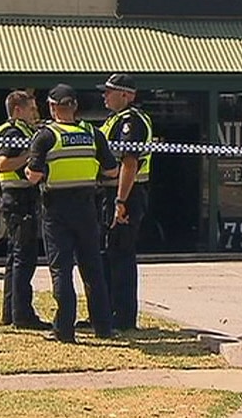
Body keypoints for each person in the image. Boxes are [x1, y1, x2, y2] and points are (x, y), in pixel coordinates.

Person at [24, 83, 119, 343]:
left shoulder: (45, 136)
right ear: (75, 106)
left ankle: (64, 330)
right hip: (87, 208)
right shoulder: (93, 133)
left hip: (57, 210)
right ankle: (103, 327)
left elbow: (34, 176)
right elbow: (112, 171)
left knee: (61, 270)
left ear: (53, 107)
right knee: (93, 269)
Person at [96, 73, 153, 331]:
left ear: (126, 95)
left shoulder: (133, 122)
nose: (104, 96)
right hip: (109, 194)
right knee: (106, 254)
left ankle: (123, 317)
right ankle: (106, 312)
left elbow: (129, 163)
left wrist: (121, 200)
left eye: (109, 91)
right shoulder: (113, 121)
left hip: (127, 194)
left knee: (121, 255)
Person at [0, 90, 48, 330]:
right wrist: (30, 156)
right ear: (18, 110)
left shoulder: (24, 131)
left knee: (15, 257)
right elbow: (1, 164)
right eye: (31, 109)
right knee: (24, 259)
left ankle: (11, 312)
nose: (35, 113)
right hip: (17, 199)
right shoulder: (10, 132)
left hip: (23, 198)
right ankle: (22, 315)